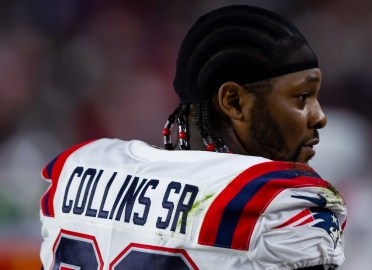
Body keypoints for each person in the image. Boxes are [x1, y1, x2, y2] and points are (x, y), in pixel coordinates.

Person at [39, 5, 347, 270]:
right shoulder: (280, 202)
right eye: (301, 97)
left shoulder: (76, 167)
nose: (319, 116)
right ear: (234, 101)